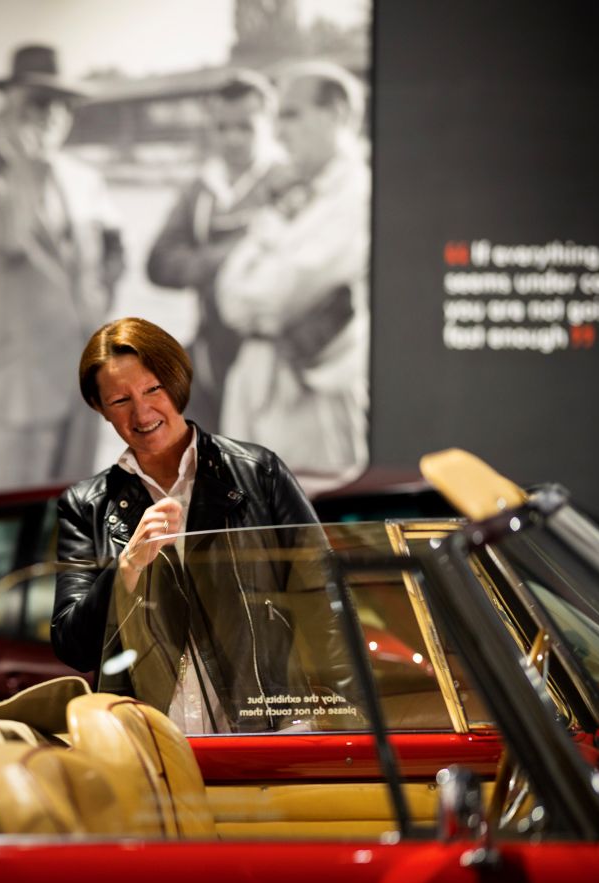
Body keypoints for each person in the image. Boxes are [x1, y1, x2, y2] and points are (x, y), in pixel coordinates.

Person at [50, 317, 326, 733]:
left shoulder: (258, 473)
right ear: (99, 407)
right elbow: (74, 647)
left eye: (152, 389)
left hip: (267, 732)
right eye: (120, 400)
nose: (142, 412)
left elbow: (323, 598)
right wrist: (126, 568)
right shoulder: (84, 505)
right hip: (149, 740)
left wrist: (348, 714)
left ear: (176, 382)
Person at [0, 43, 125, 494]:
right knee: (8, 520)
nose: (51, 115)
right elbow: (4, 243)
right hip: (12, 386)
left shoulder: (84, 178)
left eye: (62, 104)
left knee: (75, 519)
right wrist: (20, 165)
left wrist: (100, 302)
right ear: (9, 106)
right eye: (36, 103)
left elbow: (114, 250)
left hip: (81, 382)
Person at [213, 61, 370, 494]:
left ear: (336, 114)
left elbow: (279, 297)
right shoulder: (300, 193)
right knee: (253, 534)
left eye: (291, 114)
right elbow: (228, 292)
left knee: (309, 540)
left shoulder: (359, 197)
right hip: (260, 386)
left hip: (310, 399)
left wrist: (258, 277)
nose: (279, 133)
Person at [146, 69, 289, 431]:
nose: (233, 139)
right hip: (212, 351)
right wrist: (232, 257)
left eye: (245, 127)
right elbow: (158, 263)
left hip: (279, 355)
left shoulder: (288, 181)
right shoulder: (201, 189)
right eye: (223, 128)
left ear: (270, 123)